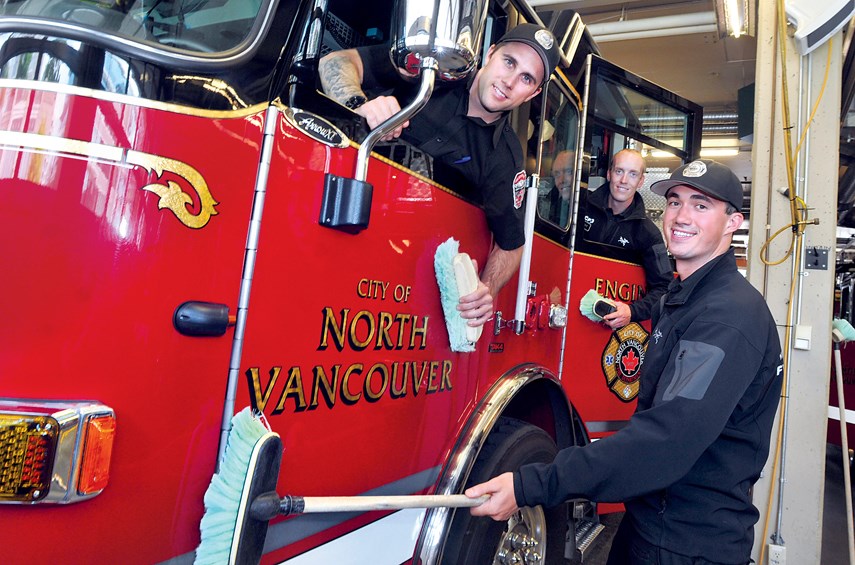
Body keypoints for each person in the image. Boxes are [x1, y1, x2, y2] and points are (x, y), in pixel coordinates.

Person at [467, 159, 783, 565]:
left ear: (732, 222)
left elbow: (663, 443)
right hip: (653, 522)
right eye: (674, 202)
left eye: (701, 206)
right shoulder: (685, 297)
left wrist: (532, 484)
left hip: (686, 545)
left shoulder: (726, 318)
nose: (681, 216)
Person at [318, 23, 560, 328]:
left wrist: (486, 289)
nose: (509, 82)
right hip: (334, 222)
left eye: (526, 78)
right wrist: (361, 105)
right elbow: (335, 62)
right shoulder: (430, 67)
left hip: (395, 288)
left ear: (533, 93)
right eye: (509, 62)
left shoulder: (507, 160)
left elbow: (511, 245)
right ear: (491, 53)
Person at [578, 148, 672, 329]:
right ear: (608, 173)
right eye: (619, 171)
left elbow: (665, 288)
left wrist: (632, 311)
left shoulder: (649, 234)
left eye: (633, 174)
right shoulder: (579, 205)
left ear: (641, 181)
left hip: (606, 327)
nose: (623, 180)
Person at [541, 149, 575, 226]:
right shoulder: (551, 206)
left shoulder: (592, 209)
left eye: (569, 172)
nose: (561, 180)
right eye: (557, 174)